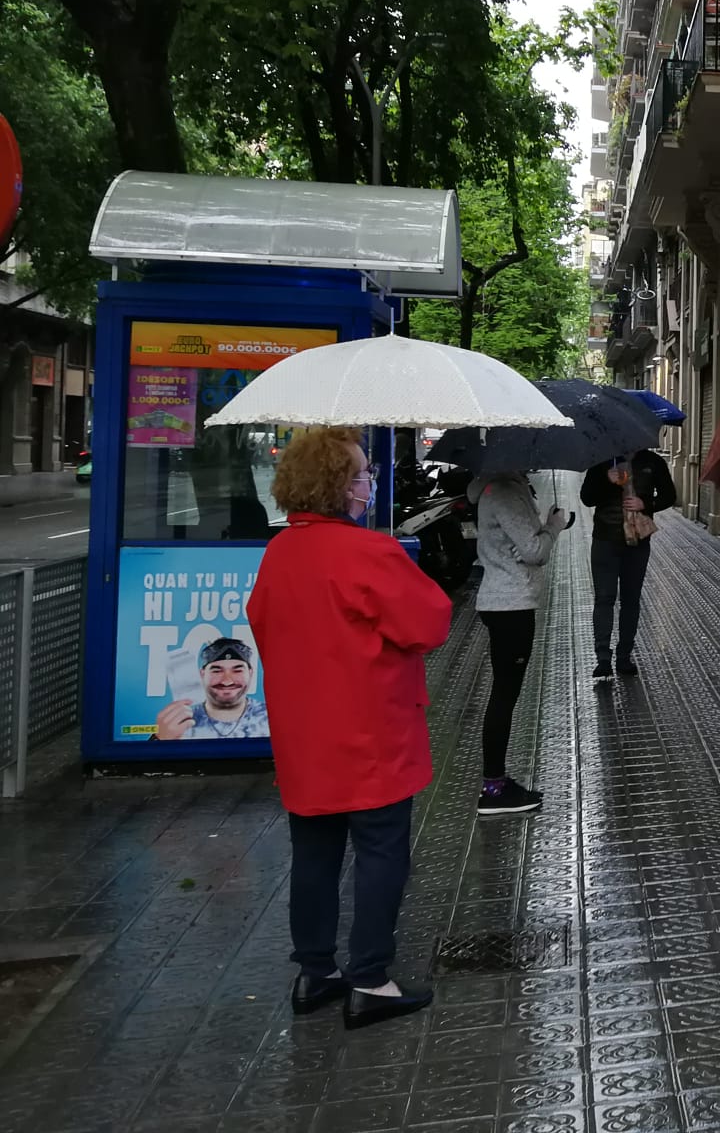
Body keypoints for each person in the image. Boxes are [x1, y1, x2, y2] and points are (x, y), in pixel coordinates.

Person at [245, 427, 453, 1031]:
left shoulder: (280, 552)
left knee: (313, 853)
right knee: (381, 850)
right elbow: (430, 623)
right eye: (363, 473)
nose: (370, 482)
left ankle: (317, 971)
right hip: (370, 734)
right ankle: (371, 978)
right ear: (341, 485)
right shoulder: (369, 553)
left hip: (304, 735)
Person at [467, 470, 574, 816]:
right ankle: (494, 788)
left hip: (504, 602)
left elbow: (524, 544)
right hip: (510, 604)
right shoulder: (504, 490)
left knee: (504, 693)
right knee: (504, 696)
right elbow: (535, 551)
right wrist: (554, 525)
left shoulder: (494, 487)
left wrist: (537, 532)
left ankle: (496, 784)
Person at [580, 447, 674, 681]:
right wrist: (606, 480)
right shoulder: (602, 461)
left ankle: (624, 656)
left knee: (631, 599)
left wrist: (646, 504)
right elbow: (587, 498)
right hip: (605, 539)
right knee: (604, 598)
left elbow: (669, 496)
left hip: (638, 541)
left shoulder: (652, 461)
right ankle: (603, 657)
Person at [152, 636, 271, 740]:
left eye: (237, 670)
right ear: (202, 673)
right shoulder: (179, 721)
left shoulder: (272, 718)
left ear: (250, 673)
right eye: (217, 671)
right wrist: (159, 739)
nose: (227, 681)